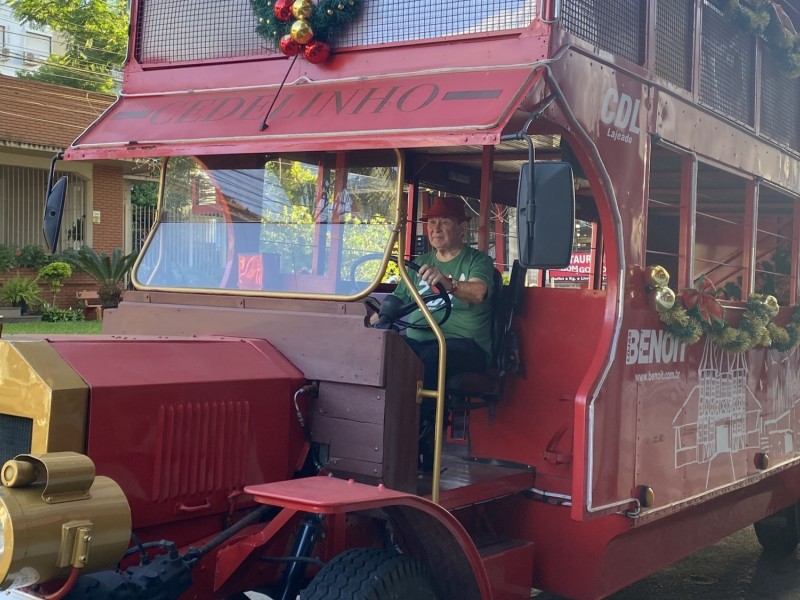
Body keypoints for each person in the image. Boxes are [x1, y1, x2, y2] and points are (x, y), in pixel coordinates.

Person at [372, 196, 495, 469]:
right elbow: (397, 301)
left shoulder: (478, 261)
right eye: (431, 223)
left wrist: (448, 283)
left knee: (426, 360)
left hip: (467, 346)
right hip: (420, 341)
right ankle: (376, 439)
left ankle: (421, 445)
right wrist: (368, 324)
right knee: (386, 352)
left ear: (462, 227)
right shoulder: (421, 263)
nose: (435, 229)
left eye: (444, 222)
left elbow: (478, 292)